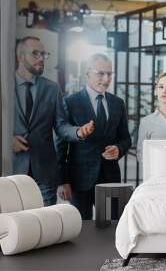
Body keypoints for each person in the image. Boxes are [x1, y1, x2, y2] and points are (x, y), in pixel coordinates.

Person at [13, 36, 94, 206]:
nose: (41, 58)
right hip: (11, 172)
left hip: (44, 174)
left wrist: (78, 132)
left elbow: (61, 125)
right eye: (35, 54)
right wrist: (5, 141)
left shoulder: (52, 88)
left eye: (43, 54)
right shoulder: (2, 85)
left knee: (45, 225)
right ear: (21, 56)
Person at [56, 53, 131, 220]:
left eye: (109, 74)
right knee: (81, 231)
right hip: (79, 179)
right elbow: (60, 145)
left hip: (110, 177)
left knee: (113, 228)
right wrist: (62, 180)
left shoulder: (118, 103)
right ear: (87, 74)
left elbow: (126, 139)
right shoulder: (70, 102)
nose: (106, 79)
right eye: (100, 73)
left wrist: (118, 149)